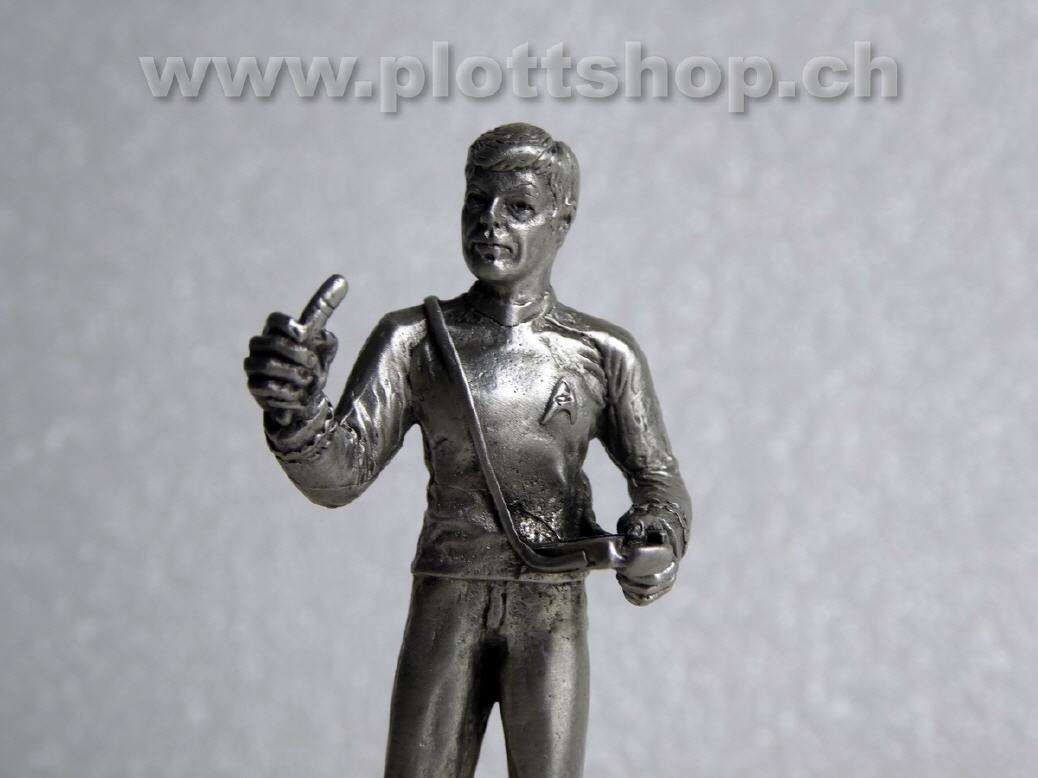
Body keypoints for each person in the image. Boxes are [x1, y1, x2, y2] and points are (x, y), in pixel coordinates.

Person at [244, 122, 691, 778]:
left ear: (562, 222)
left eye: (519, 206)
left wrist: (657, 537)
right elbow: (340, 476)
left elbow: (658, 477)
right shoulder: (413, 340)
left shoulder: (604, 353)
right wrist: (296, 412)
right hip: (447, 594)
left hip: (551, 604)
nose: (490, 221)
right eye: (477, 200)